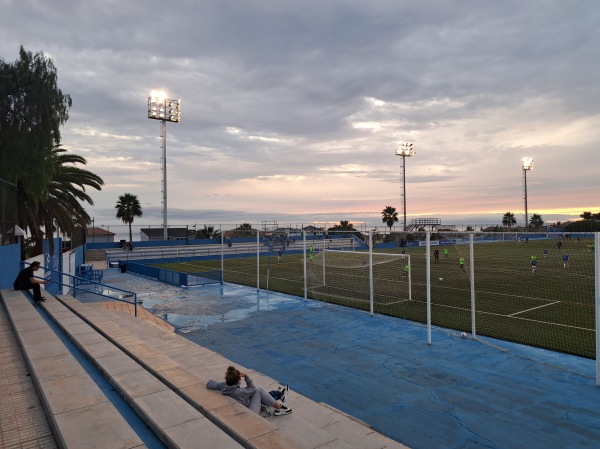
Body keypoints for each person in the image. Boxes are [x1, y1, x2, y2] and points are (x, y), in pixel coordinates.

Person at [207, 366, 292, 416]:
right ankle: (280, 408)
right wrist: (246, 376)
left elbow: (209, 384)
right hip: (250, 412)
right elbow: (253, 388)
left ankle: (280, 395)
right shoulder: (240, 392)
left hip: (243, 403)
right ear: (238, 380)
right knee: (259, 390)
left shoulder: (223, 386)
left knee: (260, 393)